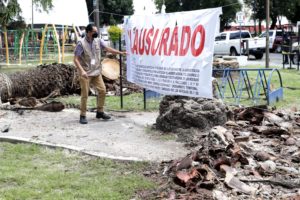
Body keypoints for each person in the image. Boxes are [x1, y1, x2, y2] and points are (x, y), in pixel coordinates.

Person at [74, 24, 126, 124]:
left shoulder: (98, 40)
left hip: (96, 72)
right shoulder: (81, 43)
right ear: (88, 32)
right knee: (85, 95)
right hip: (86, 73)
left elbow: (107, 49)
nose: (96, 33)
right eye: (94, 31)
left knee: (102, 90)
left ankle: (100, 112)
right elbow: (75, 60)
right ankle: (82, 115)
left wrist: (120, 53)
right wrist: (82, 71)